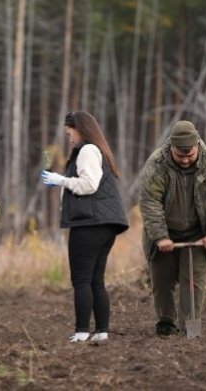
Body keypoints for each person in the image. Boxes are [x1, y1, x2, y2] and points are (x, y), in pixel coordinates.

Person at [41, 111, 129, 343]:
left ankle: (82, 331)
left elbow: (89, 185)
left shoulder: (88, 150)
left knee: (81, 280)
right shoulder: (98, 150)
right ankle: (101, 331)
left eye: (70, 133)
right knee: (96, 280)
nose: (69, 138)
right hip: (106, 224)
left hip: (90, 224)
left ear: (80, 129)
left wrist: (60, 180)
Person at [139, 120, 206, 336]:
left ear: (197, 146)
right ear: (171, 147)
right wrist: (160, 236)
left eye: (189, 154)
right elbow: (150, 201)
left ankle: (191, 328)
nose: (185, 159)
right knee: (162, 280)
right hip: (165, 232)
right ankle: (166, 322)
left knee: (194, 282)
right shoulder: (157, 163)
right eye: (180, 155)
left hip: (199, 232)